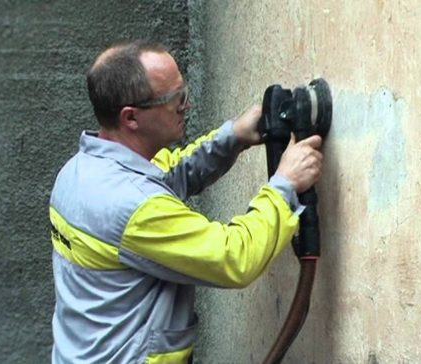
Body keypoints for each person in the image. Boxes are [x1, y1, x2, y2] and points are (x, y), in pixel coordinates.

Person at [49, 39, 324, 364]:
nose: (186, 105)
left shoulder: (81, 171)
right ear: (131, 118)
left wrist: (233, 136)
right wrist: (285, 185)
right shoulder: (131, 206)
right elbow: (233, 258)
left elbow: (169, 174)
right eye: (175, 99)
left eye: (185, 92)